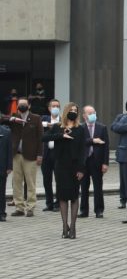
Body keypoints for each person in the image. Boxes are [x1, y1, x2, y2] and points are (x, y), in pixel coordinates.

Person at [41, 102, 87, 238]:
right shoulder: (57, 127)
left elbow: (83, 150)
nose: (73, 112)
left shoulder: (80, 129)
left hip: (75, 166)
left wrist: (81, 169)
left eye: (75, 110)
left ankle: (72, 228)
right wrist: (61, 135)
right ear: (66, 111)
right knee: (62, 196)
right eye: (71, 110)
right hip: (60, 166)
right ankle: (64, 227)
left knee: (74, 196)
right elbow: (44, 137)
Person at [2, 97, 43, 217]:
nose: (22, 106)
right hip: (16, 155)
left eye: (24, 104)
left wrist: (40, 154)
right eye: (20, 104)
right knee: (16, 182)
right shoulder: (14, 117)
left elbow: (40, 138)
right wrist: (12, 119)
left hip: (31, 155)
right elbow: (2, 118)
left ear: (29, 106)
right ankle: (19, 207)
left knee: (30, 182)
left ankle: (30, 207)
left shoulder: (36, 118)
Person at [79, 105, 109, 218]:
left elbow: (106, 146)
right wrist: (93, 140)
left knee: (98, 187)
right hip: (84, 161)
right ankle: (84, 210)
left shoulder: (102, 127)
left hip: (97, 161)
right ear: (84, 116)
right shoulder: (80, 128)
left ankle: (99, 210)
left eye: (94, 113)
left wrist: (105, 163)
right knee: (84, 187)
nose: (92, 115)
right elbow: (80, 142)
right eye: (89, 113)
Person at [113, 98, 127, 209]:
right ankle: (123, 199)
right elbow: (115, 127)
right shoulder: (121, 117)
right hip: (124, 152)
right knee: (124, 178)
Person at [41, 99, 62, 212]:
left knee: (59, 179)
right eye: (53, 106)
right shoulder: (44, 119)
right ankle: (49, 203)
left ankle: (58, 203)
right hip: (46, 154)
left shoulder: (63, 120)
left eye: (57, 106)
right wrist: (48, 125)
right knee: (46, 180)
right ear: (49, 108)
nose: (55, 108)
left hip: (58, 154)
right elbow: (38, 125)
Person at [0, 123, 12, 222]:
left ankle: (1, 213)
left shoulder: (6, 132)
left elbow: (9, 151)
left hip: (2, 167)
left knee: (1, 192)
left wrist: (9, 166)